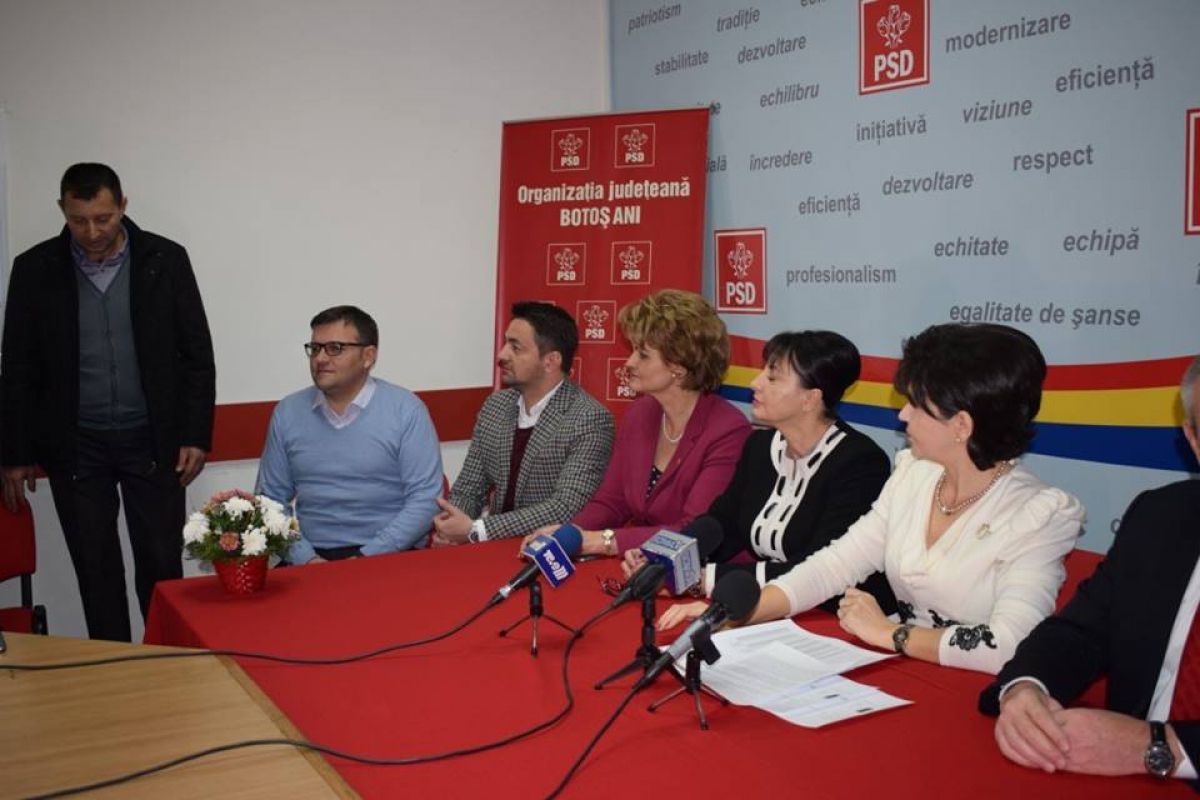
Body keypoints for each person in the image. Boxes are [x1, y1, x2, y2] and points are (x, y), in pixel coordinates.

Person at [659, 323, 1086, 675]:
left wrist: (889, 634)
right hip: (902, 672)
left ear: (961, 425)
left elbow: (1009, 645)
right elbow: (833, 565)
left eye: (916, 404)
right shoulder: (914, 475)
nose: (902, 415)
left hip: (967, 691)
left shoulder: (1041, 514)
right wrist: (734, 612)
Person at [0, 163, 215, 641]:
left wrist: (195, 435)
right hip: (77, 446)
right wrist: (14, 453)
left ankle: (167, 661)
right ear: (62, 210)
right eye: (79, 220)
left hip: (153, 441)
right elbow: (17, 367)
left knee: (160, 564)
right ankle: (113, 665)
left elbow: (197, 354)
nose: (92, 232)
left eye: (103, 218)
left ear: (122, 206)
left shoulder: (165, 259)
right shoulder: (35, 269)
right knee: (95, 569)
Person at [978, 355, 1200, 783]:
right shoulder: (1160, 515)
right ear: (1192, 438)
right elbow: (1081, 632)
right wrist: (1026, 688)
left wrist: (1161, 746)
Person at [633, 331, 895, 612]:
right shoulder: (760, 446)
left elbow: (817, 565)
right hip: (771, 609)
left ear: (810, 398)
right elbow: (722, 523)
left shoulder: (860, 463)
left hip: (837, 615)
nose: (755, 383)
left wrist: (702, 579)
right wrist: (667, 559)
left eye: (772, 378)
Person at [529, 290, 751, 558]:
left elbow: (693, 531)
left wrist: (600, 541)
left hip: (703, 572)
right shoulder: (641, 413)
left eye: (643, 355)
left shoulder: (728, 431)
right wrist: (569, 533)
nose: (629, 362)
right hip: (640, 562)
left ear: (679, 367)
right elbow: (611, 501)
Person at [256, 306, 442, 563]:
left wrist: (366, 558)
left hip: (388, 556)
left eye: (335, 348)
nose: (320, 358)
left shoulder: (406, 410)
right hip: (310, 557)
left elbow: (425, 500)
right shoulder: (288, 412)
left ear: (368, 356)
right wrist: (306, 559)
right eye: (315, 348)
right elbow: (269, 502)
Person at [432, 301, 613, 544]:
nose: (502, 355)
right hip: (489, 548)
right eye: (505, 343)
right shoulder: (496, 406)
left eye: (515, 348)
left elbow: (565, 507)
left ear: (551, 361)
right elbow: (469, 486)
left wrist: (477, 530)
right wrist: (452, 525)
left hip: (548, 551)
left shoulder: (589, 419)